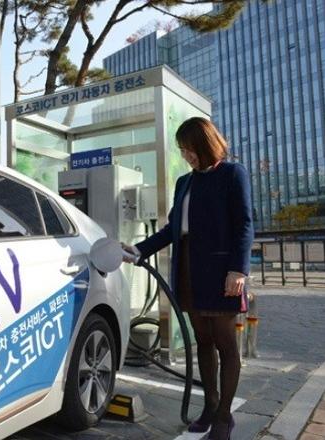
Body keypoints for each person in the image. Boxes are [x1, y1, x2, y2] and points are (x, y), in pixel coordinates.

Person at [122, 117, 253, 440]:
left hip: (222, 272)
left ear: (206, 144)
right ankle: (210, 406)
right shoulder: (184, 182)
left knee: (225, 344)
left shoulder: (232, 174)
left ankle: (224, 417)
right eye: (182, 150)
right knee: (202, 341)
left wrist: (239, 270)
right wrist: (138, 250)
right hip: (189, 269)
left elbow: (244, 224)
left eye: (190, 149)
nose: (186, 156)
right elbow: (172, 230)